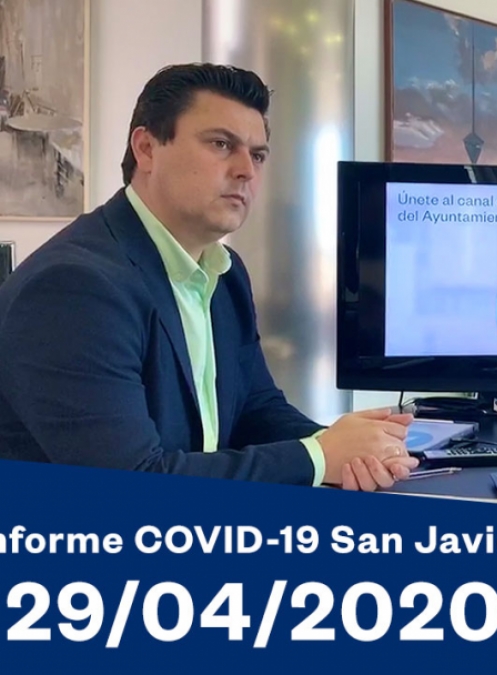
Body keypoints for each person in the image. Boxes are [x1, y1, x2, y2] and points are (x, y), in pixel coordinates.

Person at [0, 63, 418, 490]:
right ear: (146, 149)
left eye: (258, 155)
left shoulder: (224, 270)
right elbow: (132, 482)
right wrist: (319, 456)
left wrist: (350, 449)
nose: (246, 170)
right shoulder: (74, 288)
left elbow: (256, 409)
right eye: (221, 144)